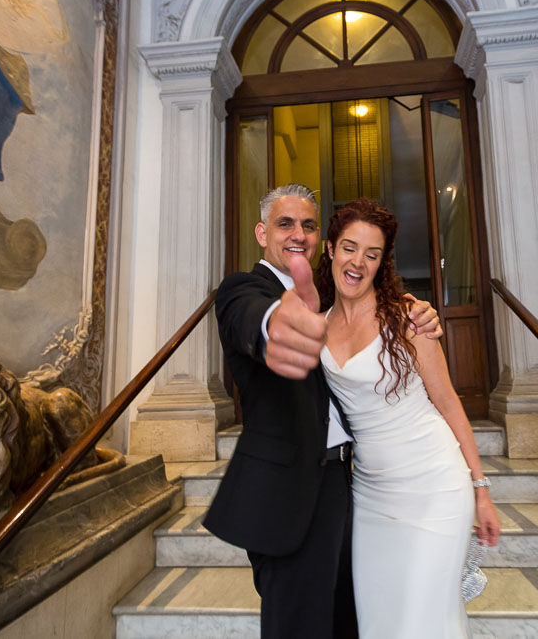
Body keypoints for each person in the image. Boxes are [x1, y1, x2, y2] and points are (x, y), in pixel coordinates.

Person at [203, 184, 441, 639]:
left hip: (352, 484)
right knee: (299, 626)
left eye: (308, 225)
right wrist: (277, 323)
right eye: (284, 223)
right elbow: (252, 316)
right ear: (261, 232)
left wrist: (417, 312)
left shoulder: (331, 300)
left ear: (321, 239)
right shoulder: (243, 289)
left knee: (349, 619)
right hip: (290, 494)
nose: (298, 234)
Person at [316, 199, 502, 638]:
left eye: (372, 254)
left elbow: (449, 403)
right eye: (349, 247)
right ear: (329, 249)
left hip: (433, 484)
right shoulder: (317, 325)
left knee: (426, 621)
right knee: (377, 619)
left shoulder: (406, 319)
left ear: (382, 263)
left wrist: (481, 490)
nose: (358, 262)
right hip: (371, 495)